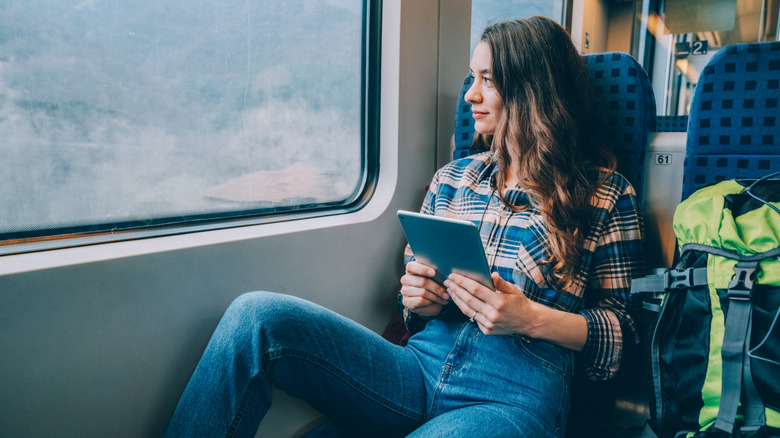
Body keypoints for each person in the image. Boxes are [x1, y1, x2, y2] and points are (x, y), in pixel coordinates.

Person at [164, 16, 645, 438]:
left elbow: (621, 333)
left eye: (488, 80)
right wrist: (416, 297)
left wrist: (528, 318)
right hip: (417, 365)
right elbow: (413, 298)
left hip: (514, 393)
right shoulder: (452, 179)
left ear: (532, 91)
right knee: (256, 317)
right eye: (470, 78)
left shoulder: (606, 195)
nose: (470, 95)